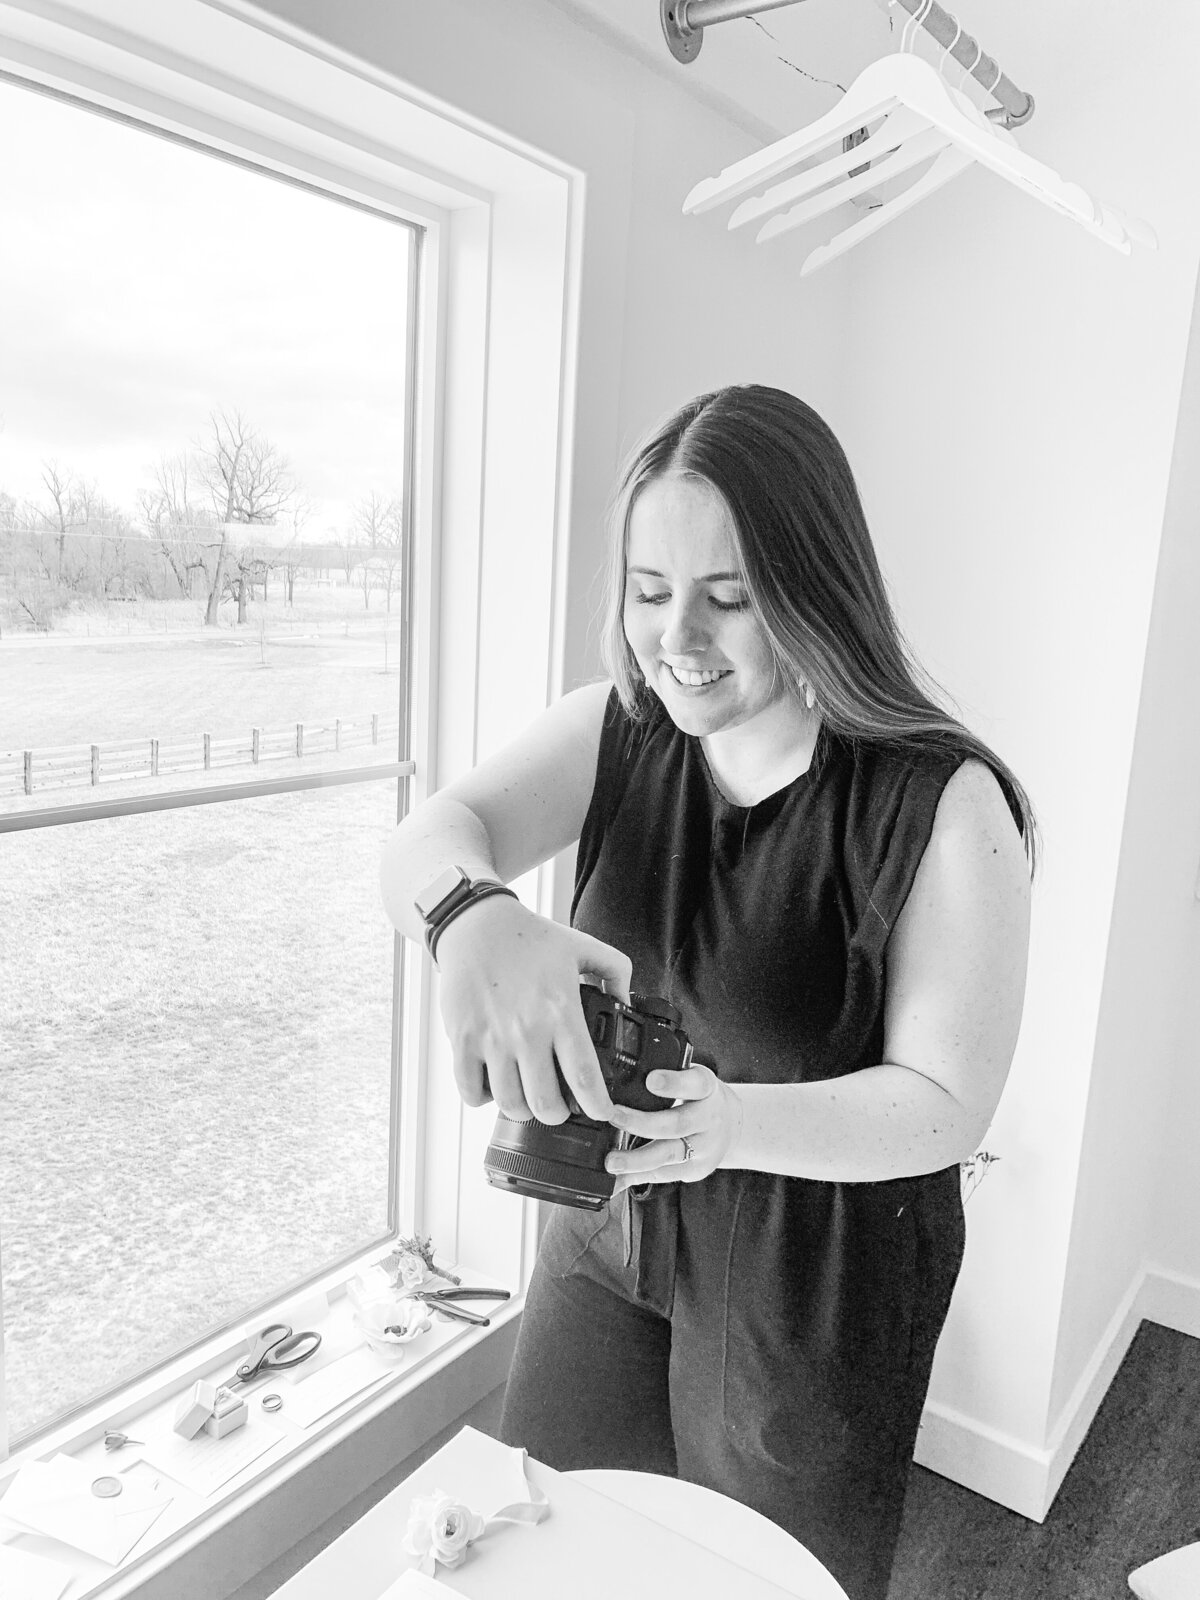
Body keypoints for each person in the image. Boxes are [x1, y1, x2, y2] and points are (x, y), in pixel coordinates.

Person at [379, 384, 1033, 1600]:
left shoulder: (940, 804)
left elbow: (948, 1102)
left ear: (811, 589)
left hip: (814, 1273)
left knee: (759, 1582)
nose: (678, 636)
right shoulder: (619, 734)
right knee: (552, 1544)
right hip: (608, 1229)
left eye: (728, 598)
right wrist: (469, 913)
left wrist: (731, 1122)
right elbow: (433, 831)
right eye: (647, 591)